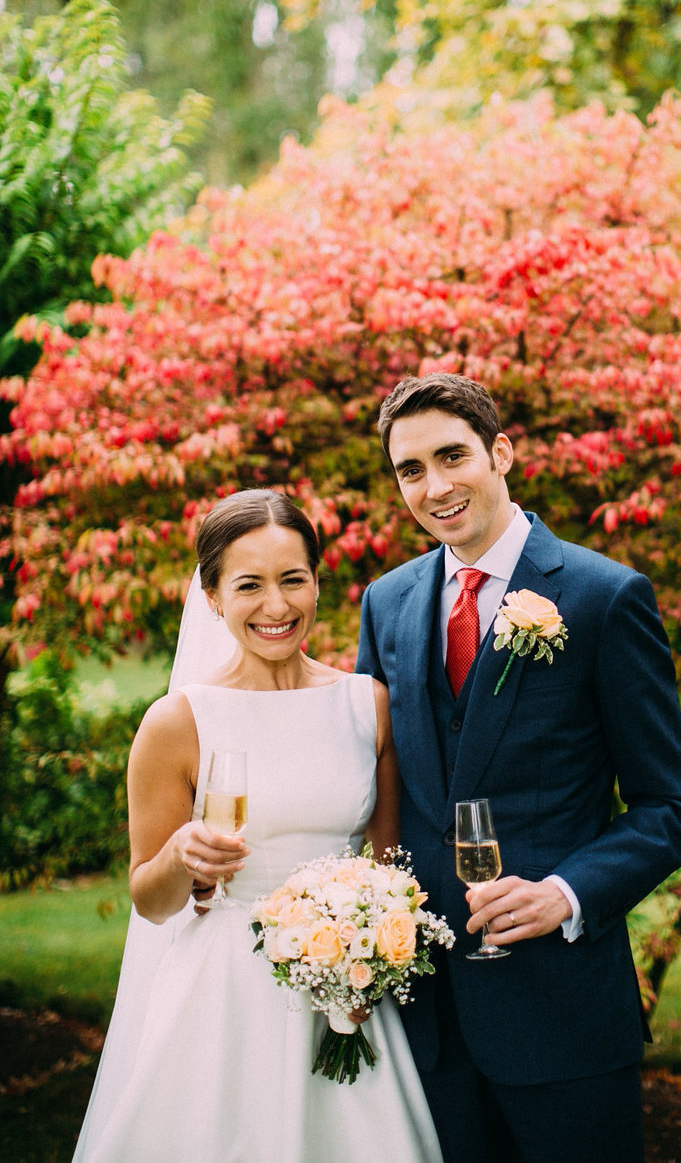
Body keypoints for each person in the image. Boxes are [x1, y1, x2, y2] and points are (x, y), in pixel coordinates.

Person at [356, 374, 681, 1163]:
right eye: (411, 470)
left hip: (564, 1018)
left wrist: (565, 894)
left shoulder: (603, 597)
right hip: (429, 1020)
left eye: (452, 456)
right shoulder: (386, 602)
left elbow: (671, 804)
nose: (435, 486)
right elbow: (380, 792)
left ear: (502, 452)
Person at [72, 488, 442, 1163]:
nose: (276, 606)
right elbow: (149, 901)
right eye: (249, 585)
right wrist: (182, 854)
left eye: (292, 580)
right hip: (221, 1005)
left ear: (317, 585)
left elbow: (393, 872)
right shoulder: (176, 723)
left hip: (346, 996)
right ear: (212, 597)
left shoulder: (368, 706)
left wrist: (370, 961)